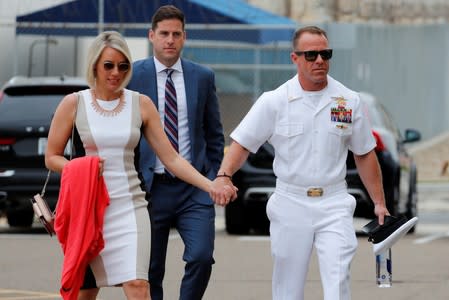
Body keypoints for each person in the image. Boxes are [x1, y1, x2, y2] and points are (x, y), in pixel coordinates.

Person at [45, 31, 233, 300]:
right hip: (88, 209)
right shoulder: (74, 103)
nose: (115, 72)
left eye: (123, 66)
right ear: (94, 66)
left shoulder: (140, 104)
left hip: (130, 207)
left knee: (138, 286)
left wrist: (210, 185)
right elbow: (51, 156)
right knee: (85, 291)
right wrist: (79, 168)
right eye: (108, 65)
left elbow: (172, 158)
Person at [211, 26, 390, 300]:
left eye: (325, 54)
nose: (319, 60)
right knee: (287, 287)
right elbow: (243, 144)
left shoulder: (348, 101)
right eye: (311, 55)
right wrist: (224, 175)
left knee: (338, 277)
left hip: (334, 202)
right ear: (295, 58)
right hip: (290, 202)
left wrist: (379, 202)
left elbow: (364, 153)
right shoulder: (274, 101)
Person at [127, 5, 226, 300]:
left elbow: (214, 134)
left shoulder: (202, 77)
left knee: (201, 257)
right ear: (151, 36)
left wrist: (214, 174)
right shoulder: (133, 75)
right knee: (150, 269)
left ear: (184, 38)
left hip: (194, 188)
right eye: (164, 34)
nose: (170, 40)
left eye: (176, 34)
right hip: (150, 187)